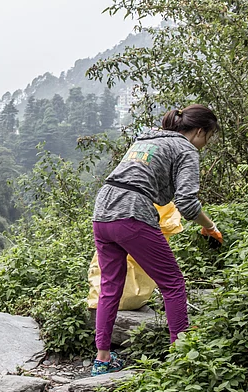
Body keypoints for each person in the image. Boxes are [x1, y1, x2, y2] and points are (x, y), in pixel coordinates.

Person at [91, 104, 222, 376]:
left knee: (110, 285)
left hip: (102, 210)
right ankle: (180, 357)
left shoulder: (147, 138)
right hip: (132, 213)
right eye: (207, 138)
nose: (205, 145)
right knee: (173, 284)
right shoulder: (186, 149)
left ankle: (102, 359)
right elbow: (186, 203)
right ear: (200, 131)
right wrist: (209, 226)